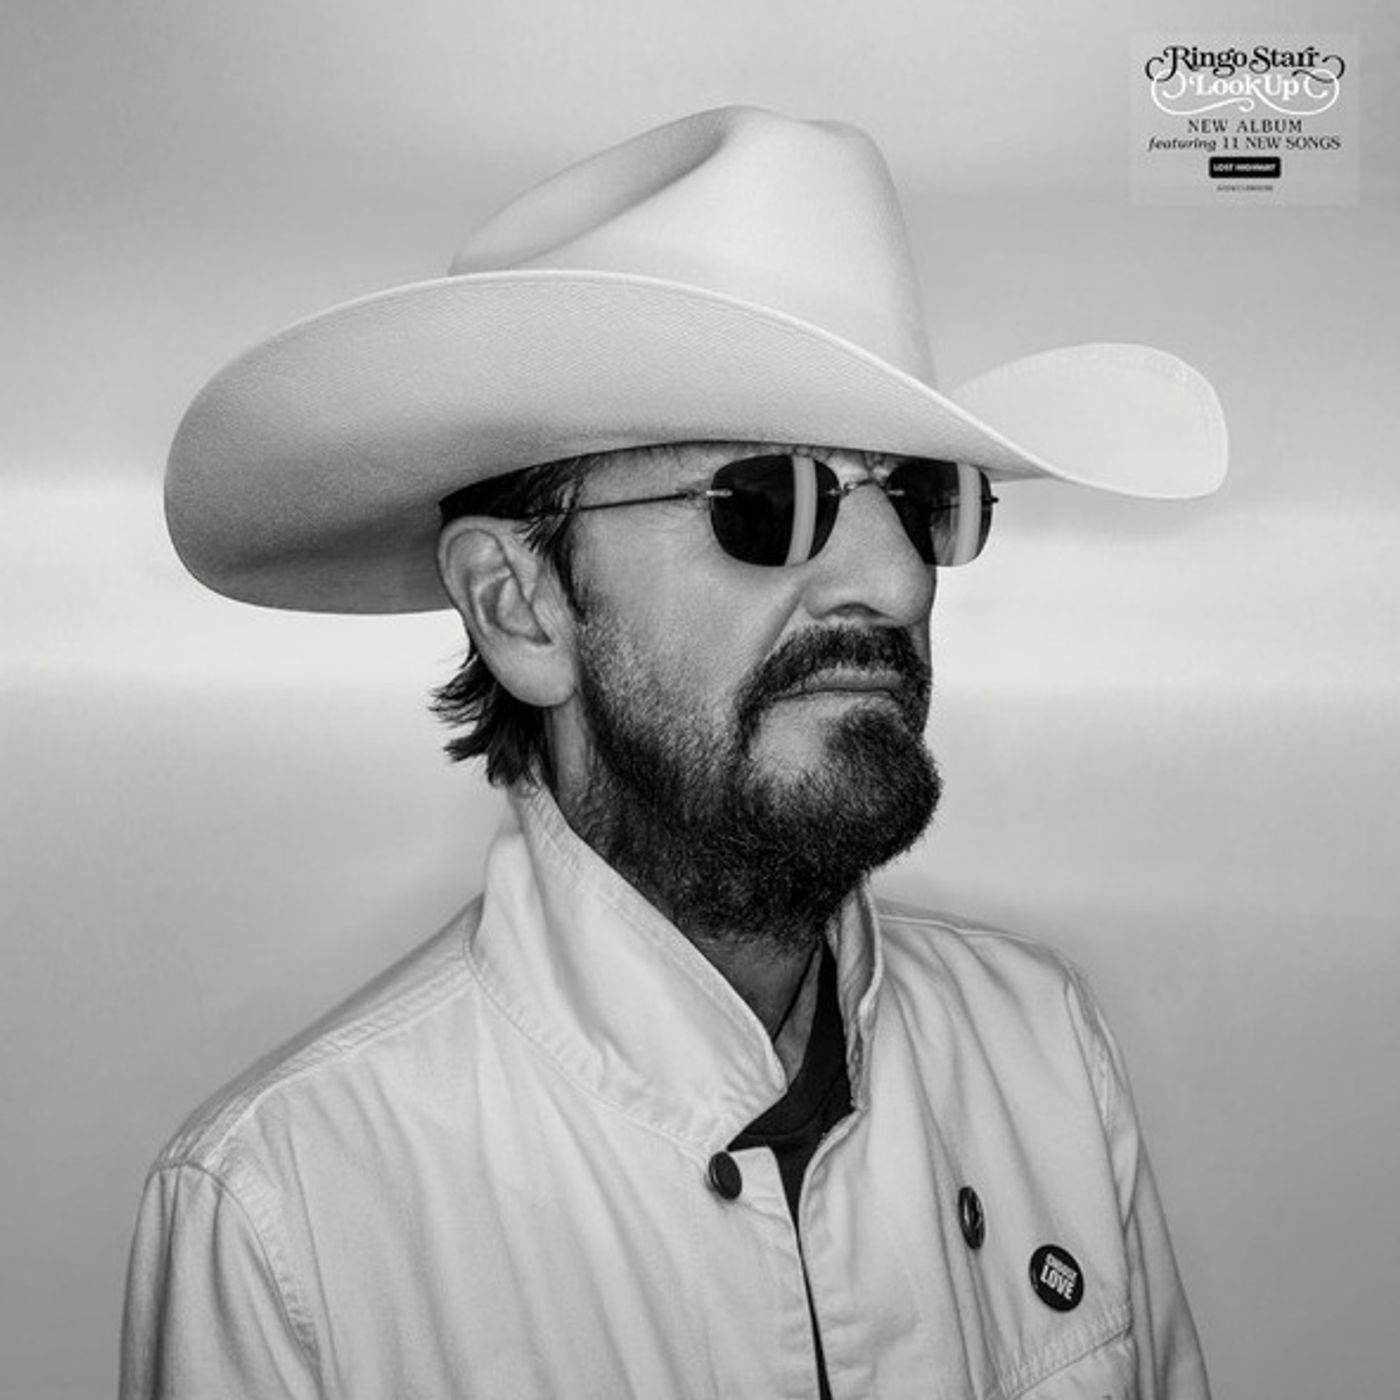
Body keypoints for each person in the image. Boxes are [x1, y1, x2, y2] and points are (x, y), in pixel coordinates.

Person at [121, 107, 1225, 1399]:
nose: (897, 581)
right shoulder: (289, 1215)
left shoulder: (1038, 1052)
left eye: (919, 499)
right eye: (767, 502)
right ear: (522, 607)